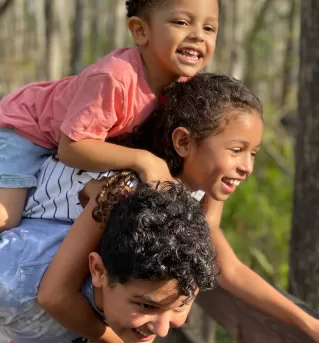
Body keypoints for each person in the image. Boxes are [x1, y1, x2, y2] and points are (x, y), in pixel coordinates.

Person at [38, 73, 319, 342]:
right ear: (184, 142)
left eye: (253, 153)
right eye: (236, 150)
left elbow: (228, 269)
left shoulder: (203, 190)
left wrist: (308, 323)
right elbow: (54, 294)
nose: (247, 167)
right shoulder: (126, 192)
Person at [0, 0, 220, 233]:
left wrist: (212, 209)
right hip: (28, 126)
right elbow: (71, 148)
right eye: (181, 22)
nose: (198, 35)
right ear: (140, 31)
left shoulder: (186, 87)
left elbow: (214, 143)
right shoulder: (114, 78)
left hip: (71, 131)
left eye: (209, 28)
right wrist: (144, 160)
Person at [0, 181, 219, 343]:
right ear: (98, 270)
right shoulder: (13, 282)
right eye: (146, 306)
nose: (163, 330)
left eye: (180, 306)